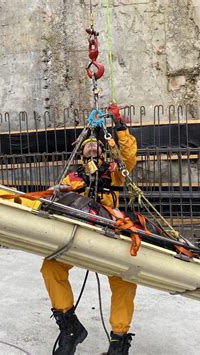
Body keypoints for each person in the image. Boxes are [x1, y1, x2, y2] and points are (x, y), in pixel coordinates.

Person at [40, 103, 138, 355]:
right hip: (79, 236)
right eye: (87, 146)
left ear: (104, 151)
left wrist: (120, 128)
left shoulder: (115, 173)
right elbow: (55, 198)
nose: (92, 146)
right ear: (81, 153)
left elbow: (128, 157)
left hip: (109, 234)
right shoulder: (73, 178)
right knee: (51, 266)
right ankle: (69, 325)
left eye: (96, 145)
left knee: (124, 281)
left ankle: (119, 340)